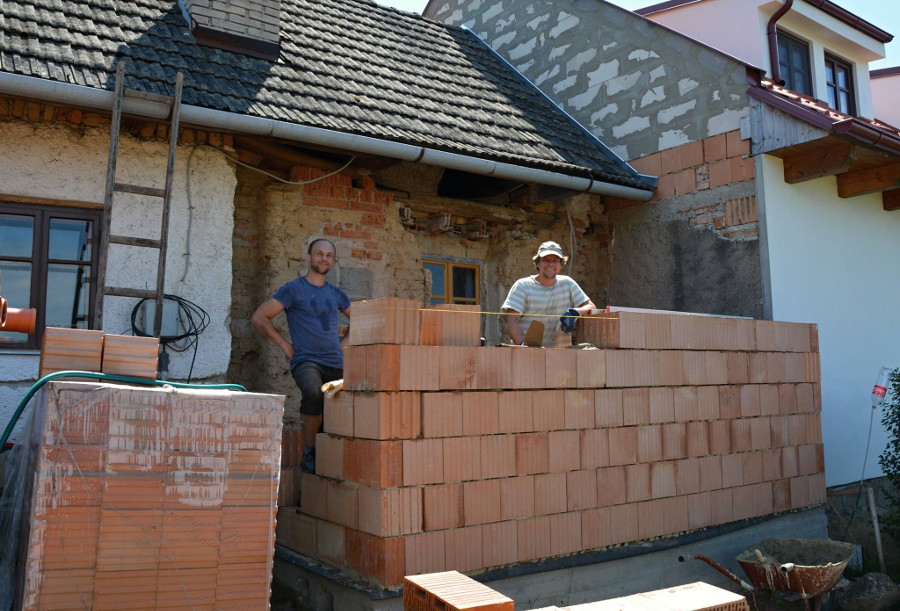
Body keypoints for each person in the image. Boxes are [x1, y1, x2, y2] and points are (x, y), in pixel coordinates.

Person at [251, 238, 352, 473]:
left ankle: (327, 455)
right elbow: (259, 317)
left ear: (333, 261)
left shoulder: (336, 294)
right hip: (306, 360)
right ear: (308, 257)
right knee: (313, 392)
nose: (323, 258)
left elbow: (359, 318)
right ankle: (310, 452)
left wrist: (344, 344)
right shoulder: (293, 289)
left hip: (335, 362)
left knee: (337, 407)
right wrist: (285, 346)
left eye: (328, 255)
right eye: (319, 254)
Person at [501, 241, 596, 347]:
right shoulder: (523, 286)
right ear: (538, 263)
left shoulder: (567, 284)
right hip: (527, 351)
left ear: (561, 264)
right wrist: (523, 345)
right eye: (545, 260)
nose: (550, 264)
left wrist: (575, 312)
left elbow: (591, 306)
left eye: (555, 260)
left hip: (557, 352)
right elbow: (511, 321)